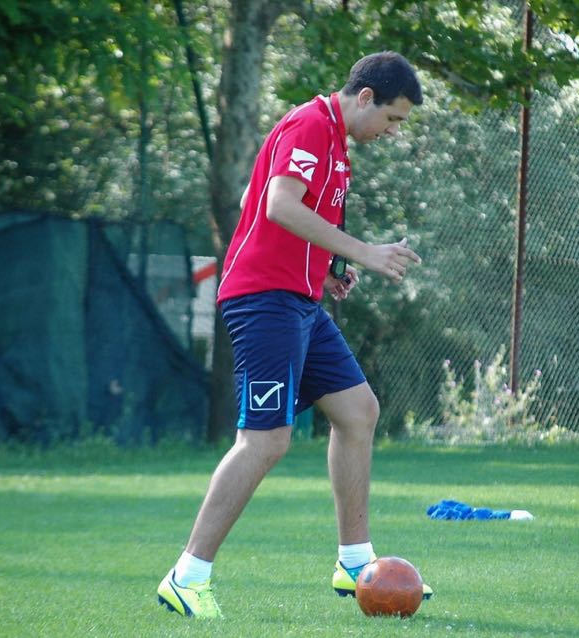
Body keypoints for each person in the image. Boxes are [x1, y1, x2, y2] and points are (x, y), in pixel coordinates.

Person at [157, 51, 431, 619]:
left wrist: (326, 266)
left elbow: (254, 197)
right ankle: (187, 577)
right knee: (266, 441)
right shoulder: (310, 124)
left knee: (358, 411)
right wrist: (364, 252)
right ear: (365, 98)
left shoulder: (334, 142)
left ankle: (355, 563)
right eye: (392, 118)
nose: (393, 131)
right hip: (264, 300)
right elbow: (279, 204)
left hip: (298, 301)